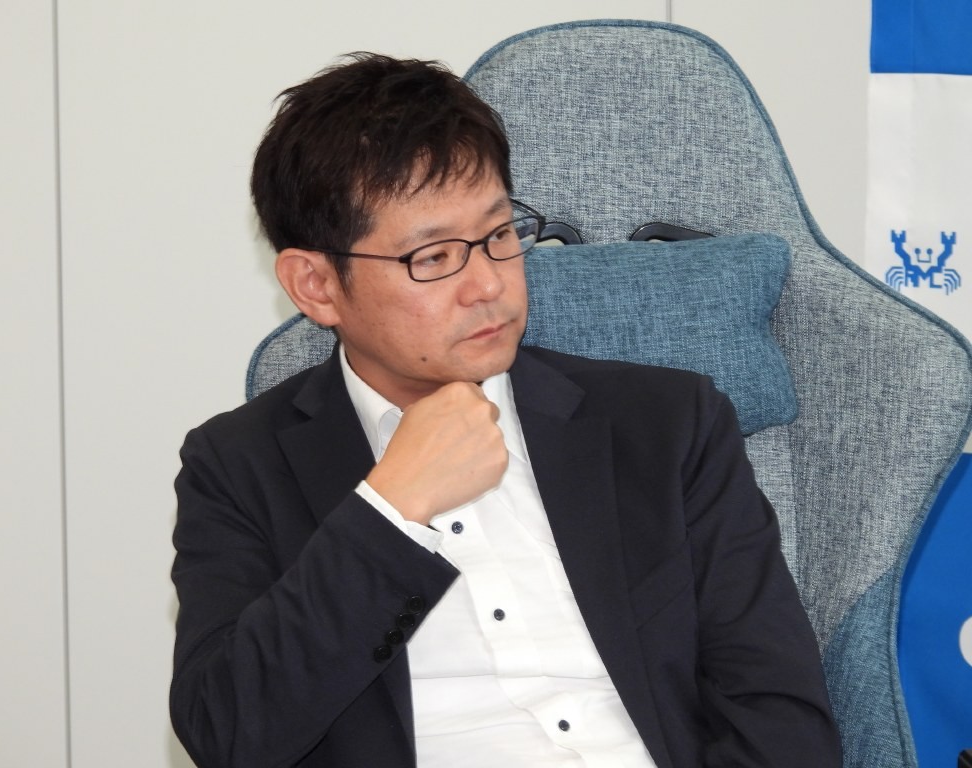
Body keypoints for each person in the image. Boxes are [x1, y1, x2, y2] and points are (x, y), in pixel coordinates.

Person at [170, 53, 842, 768]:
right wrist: (392, 509)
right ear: (316, 285)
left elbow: (782, 718)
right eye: (434, 258)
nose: (488, 285)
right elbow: (230, 735)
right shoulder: (238, 466)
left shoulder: (669, 425)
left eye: (498, 236)